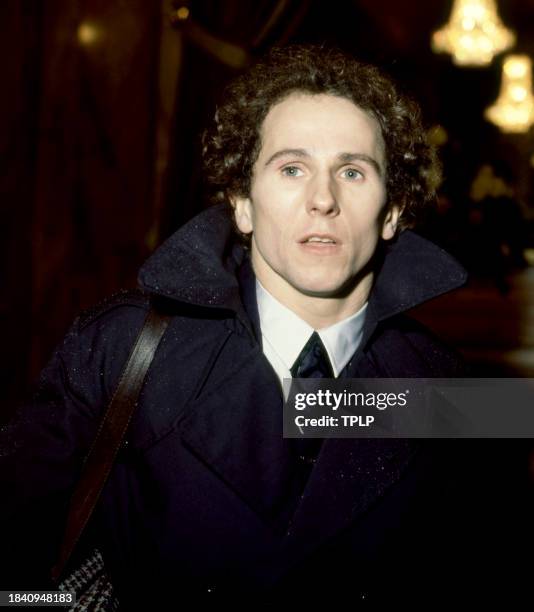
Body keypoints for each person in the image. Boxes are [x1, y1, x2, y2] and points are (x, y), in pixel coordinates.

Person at [1, 45, 525, 607]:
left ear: (393, 209)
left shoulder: (454, 393)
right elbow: (15, 580)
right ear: (242, 203)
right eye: (292, 168)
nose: (322, 199)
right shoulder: (123, 348)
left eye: (352, 171)